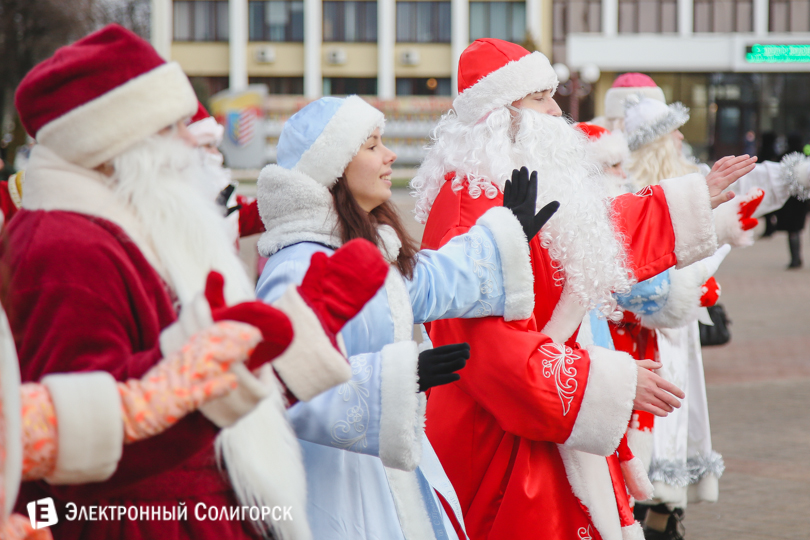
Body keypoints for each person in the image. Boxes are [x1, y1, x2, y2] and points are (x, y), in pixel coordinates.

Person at [1, 24, 389, 540]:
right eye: (173, 126)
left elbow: (181, 399)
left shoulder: (127, 229)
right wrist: (249, 353)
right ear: (116, 143)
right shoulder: (64, 247)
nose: (195, 141)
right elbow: (80, 455)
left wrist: (283, 343)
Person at [410, 38, 755, 540]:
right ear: (499, 114)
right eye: (540, 98)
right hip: (502, 440)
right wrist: (604, 383)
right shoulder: (470, 201)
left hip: (544, 420)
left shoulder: (515, 181)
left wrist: (692, 199)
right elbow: (485, 351)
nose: (557, 111)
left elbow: (598, 231)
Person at [247, 95, 557, 540]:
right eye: (373, 146)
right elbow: (275, 383)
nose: (390, 155)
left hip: (378, 472)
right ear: (334, 168)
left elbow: (428, 282)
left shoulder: (359, 249)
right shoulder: (297, 265)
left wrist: (503, 237)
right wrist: (393, 378)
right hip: (330, 487)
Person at [620, 95, 765, 539]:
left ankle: (663, 516)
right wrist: (701, 269)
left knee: (676, 424)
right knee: (652, 431)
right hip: (643, 337)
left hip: (678, 336)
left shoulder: (685, 182)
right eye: (672, 131)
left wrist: (714, 248)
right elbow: (645, 279)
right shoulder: (631, 191)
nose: (681, 136)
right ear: (655, 142)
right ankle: (650, 517)